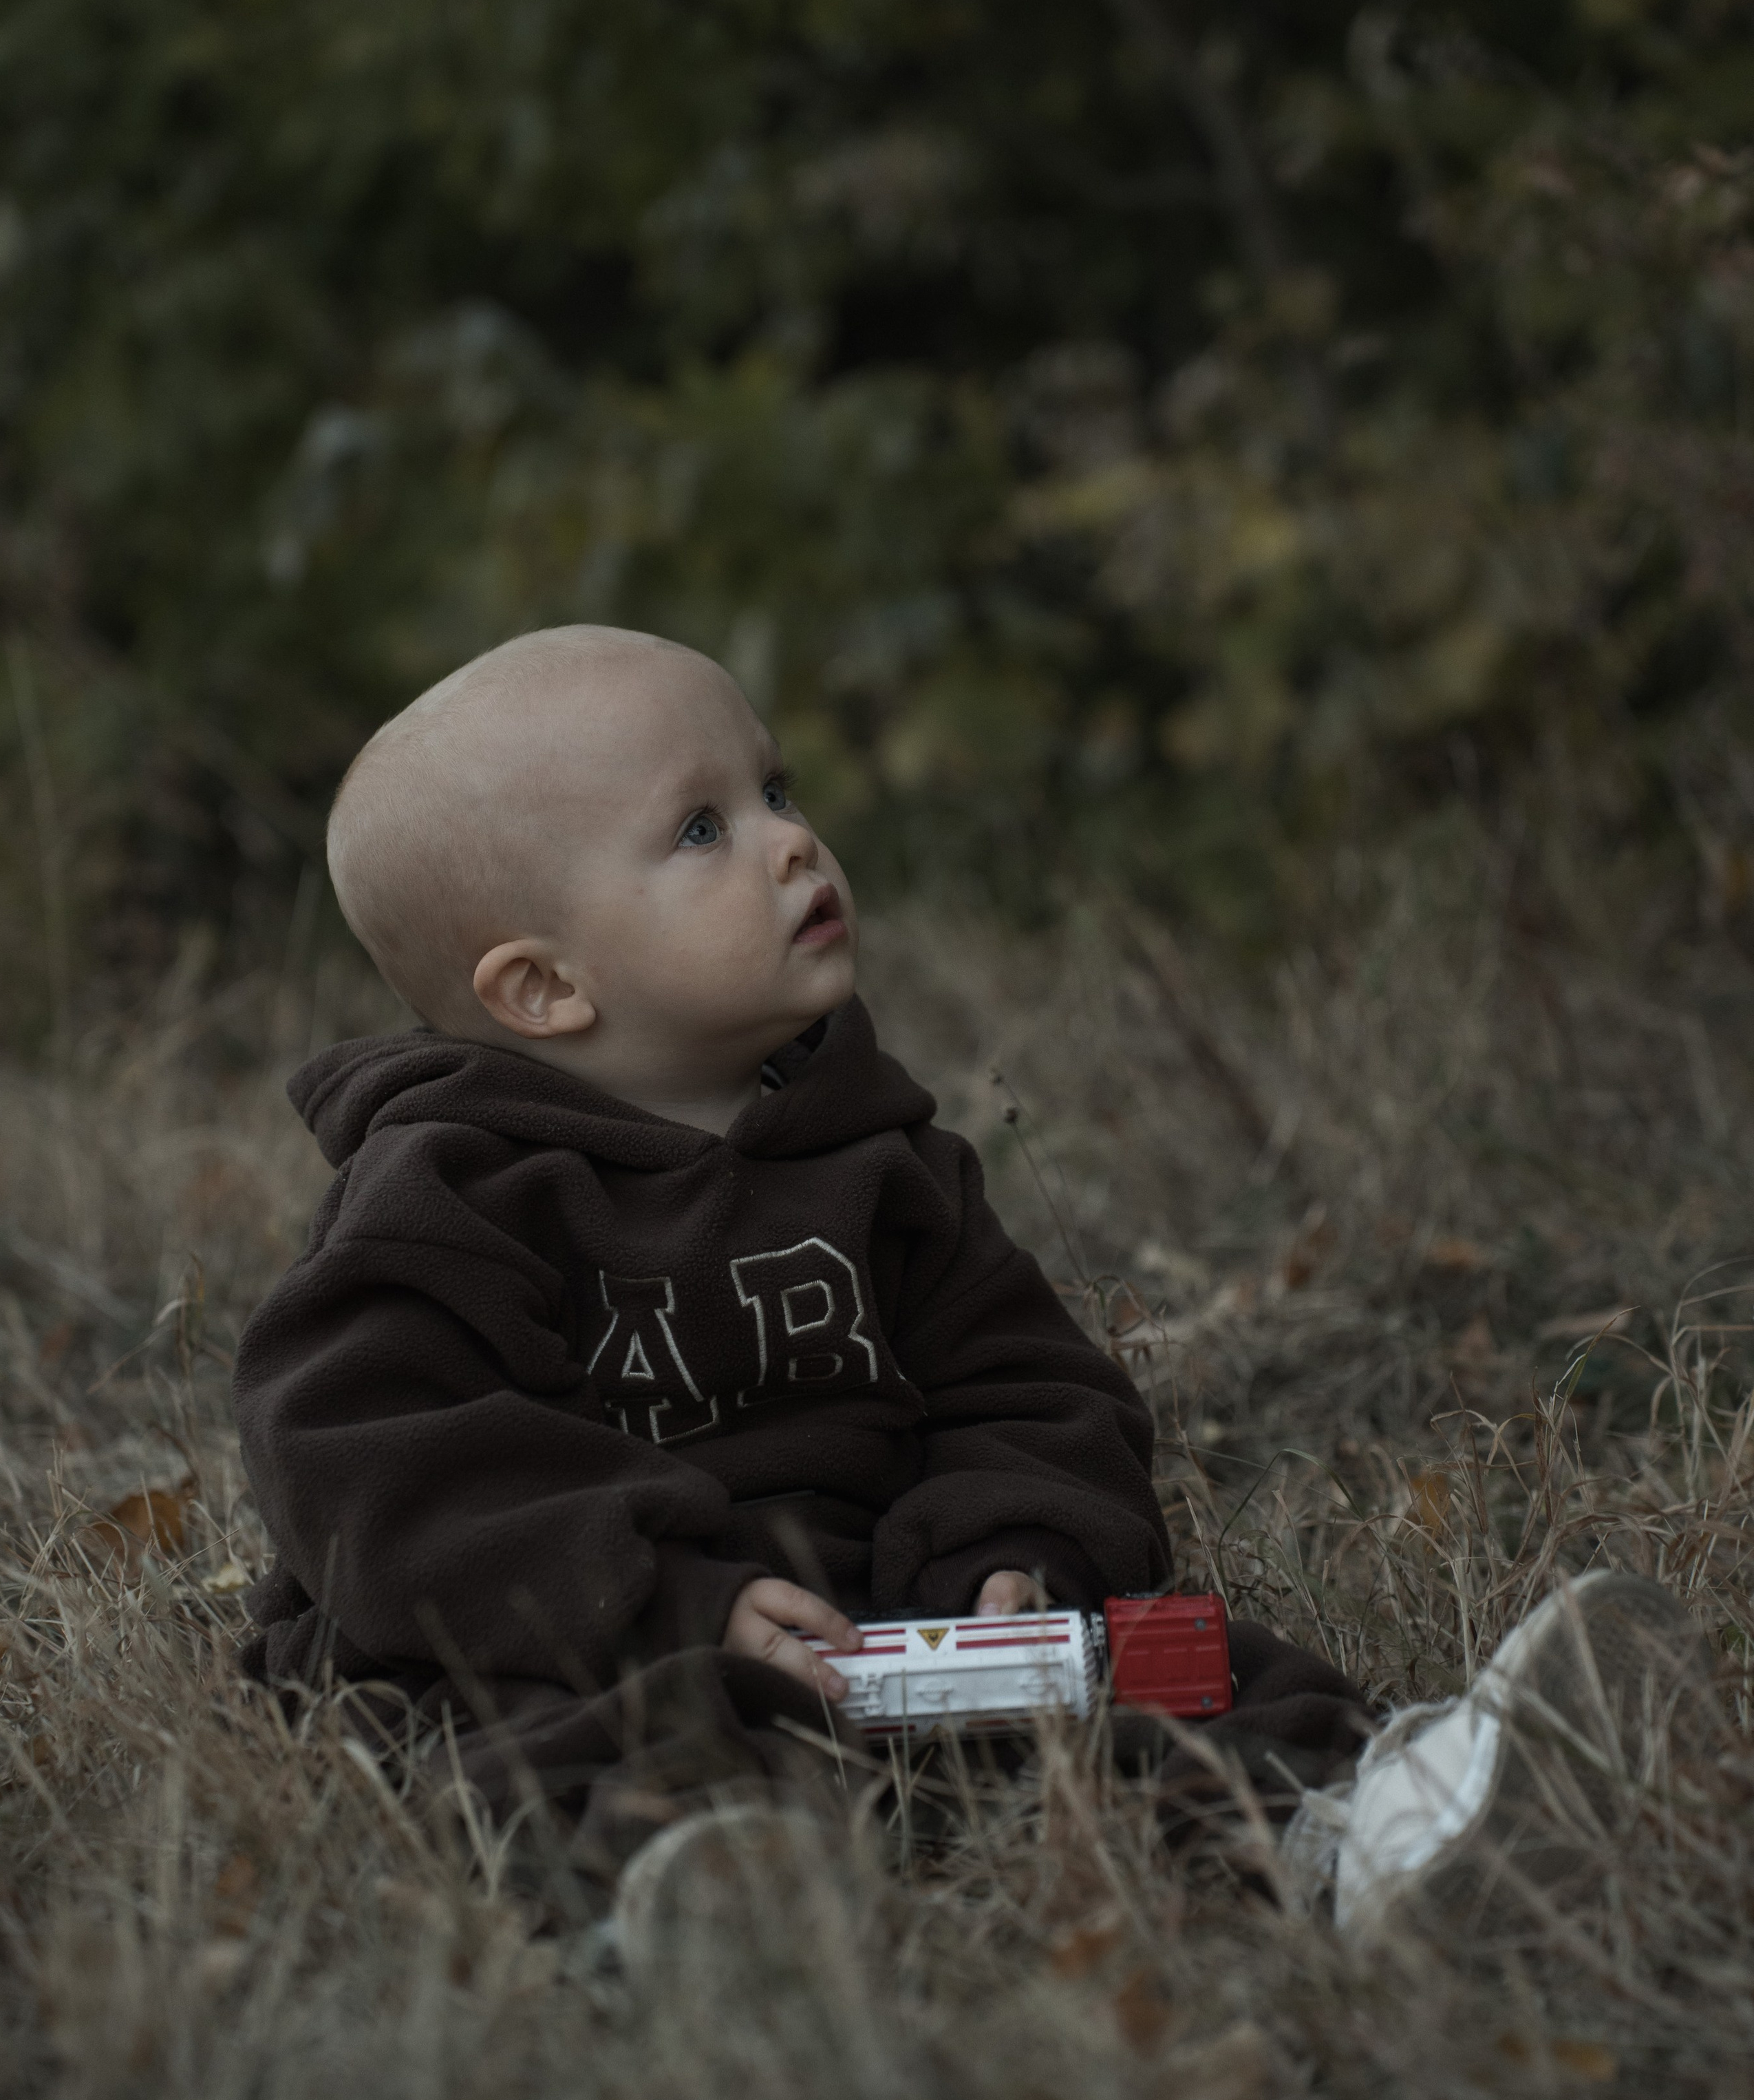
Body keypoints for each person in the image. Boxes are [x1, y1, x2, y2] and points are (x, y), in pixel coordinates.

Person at [235, 626, 1369, 1897]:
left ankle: (1367, 1827)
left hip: (885, 1622)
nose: (793, 841)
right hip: (607, 1632)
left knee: (1181, 1665)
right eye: (701, 831)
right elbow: (369, 1457)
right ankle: (694, 1893)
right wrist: (664, 1597)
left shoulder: (880, 1155)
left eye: (773, 790)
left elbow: (1024, 1381)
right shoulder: (452, 1193)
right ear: (546, 987)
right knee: (515, 1744)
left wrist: (1011, 1546)